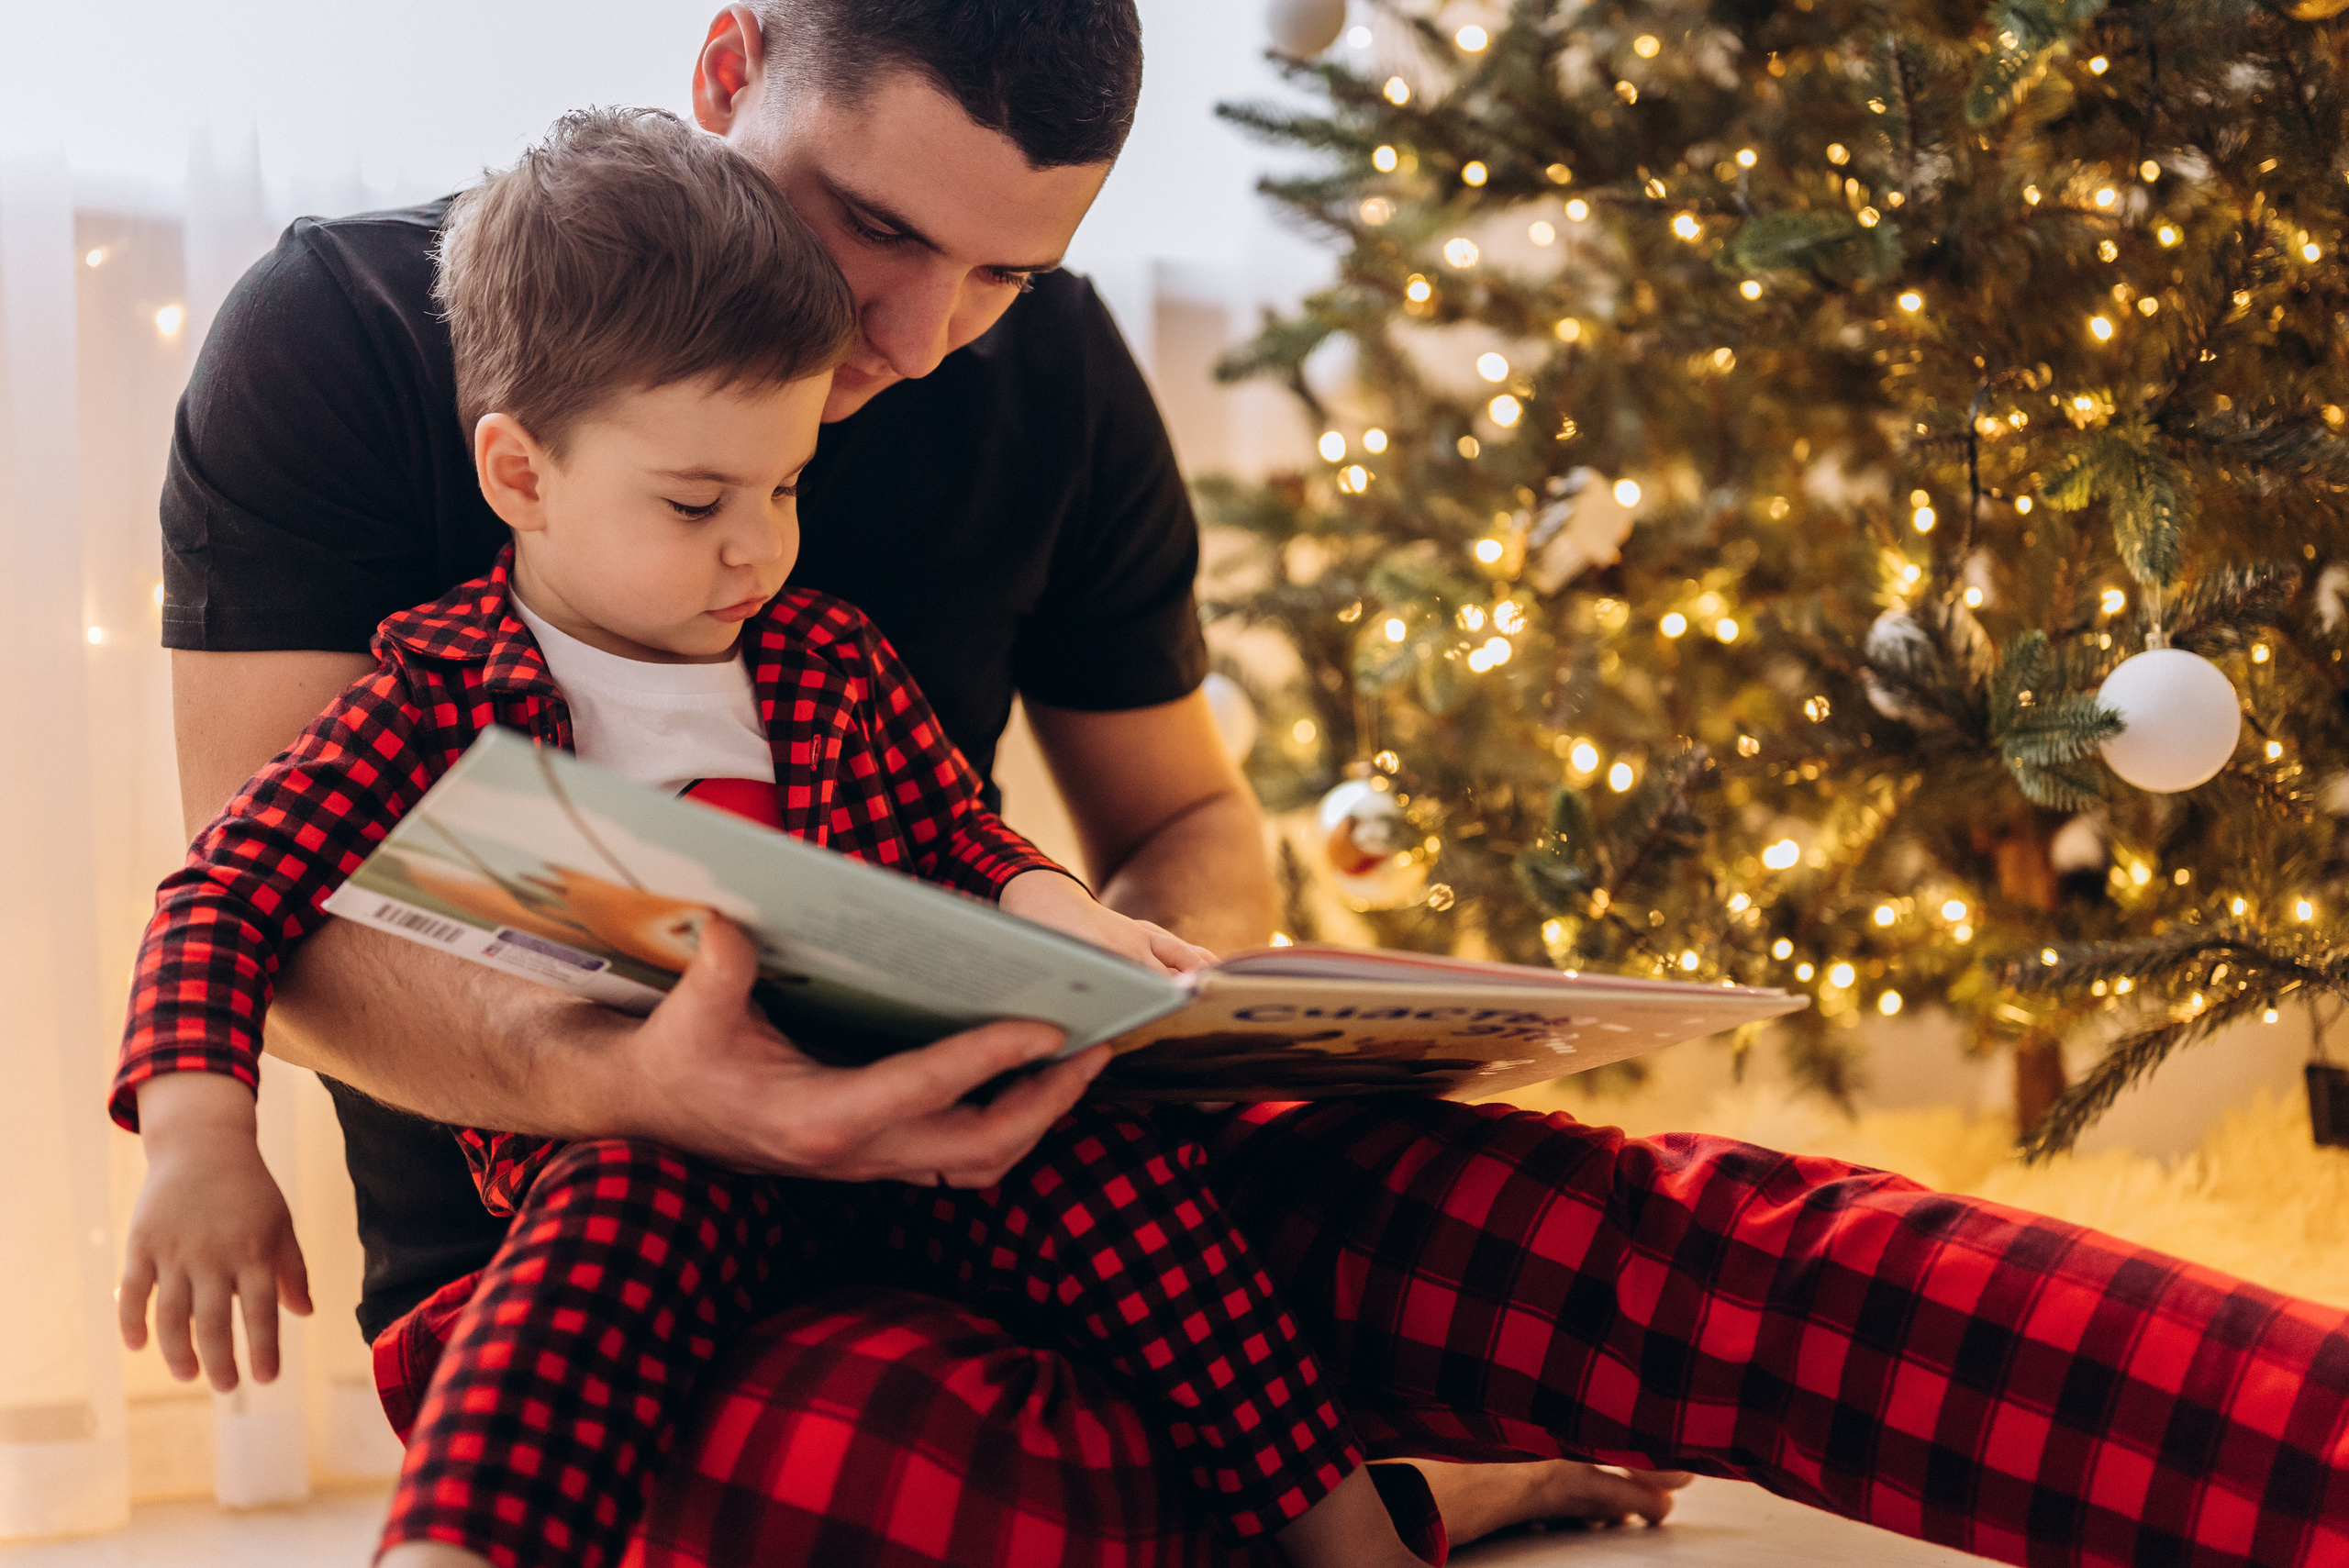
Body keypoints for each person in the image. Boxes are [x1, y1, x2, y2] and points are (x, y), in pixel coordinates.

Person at [148, 3, 2349, 1565]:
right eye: (874, 232)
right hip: (593, 1242)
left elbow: (1172, 820)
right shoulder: (353, 338)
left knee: (1695, 1250)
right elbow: (298, 917)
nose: (915, 335)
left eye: (1006, 268)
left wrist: (1146, 979)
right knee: (940, 1500)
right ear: (733, 67)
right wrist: (656, 1094)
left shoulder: (1041, 381)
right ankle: (1443, 1478)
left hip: (1033, 1148)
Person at [118, 106, 1465, 1568]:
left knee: (1119, 1185)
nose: (758, 546)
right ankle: (457, 1550)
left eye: (785, 488)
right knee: (599, 1251)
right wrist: (199, 1133)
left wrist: (1056, 913)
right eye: (699, 501)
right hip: (649, 1144)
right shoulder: (438, 684)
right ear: (521, 476)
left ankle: (1348, 1527)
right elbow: (227, 888)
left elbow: (955, 831)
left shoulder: (820, 657)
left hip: (906, 1132)